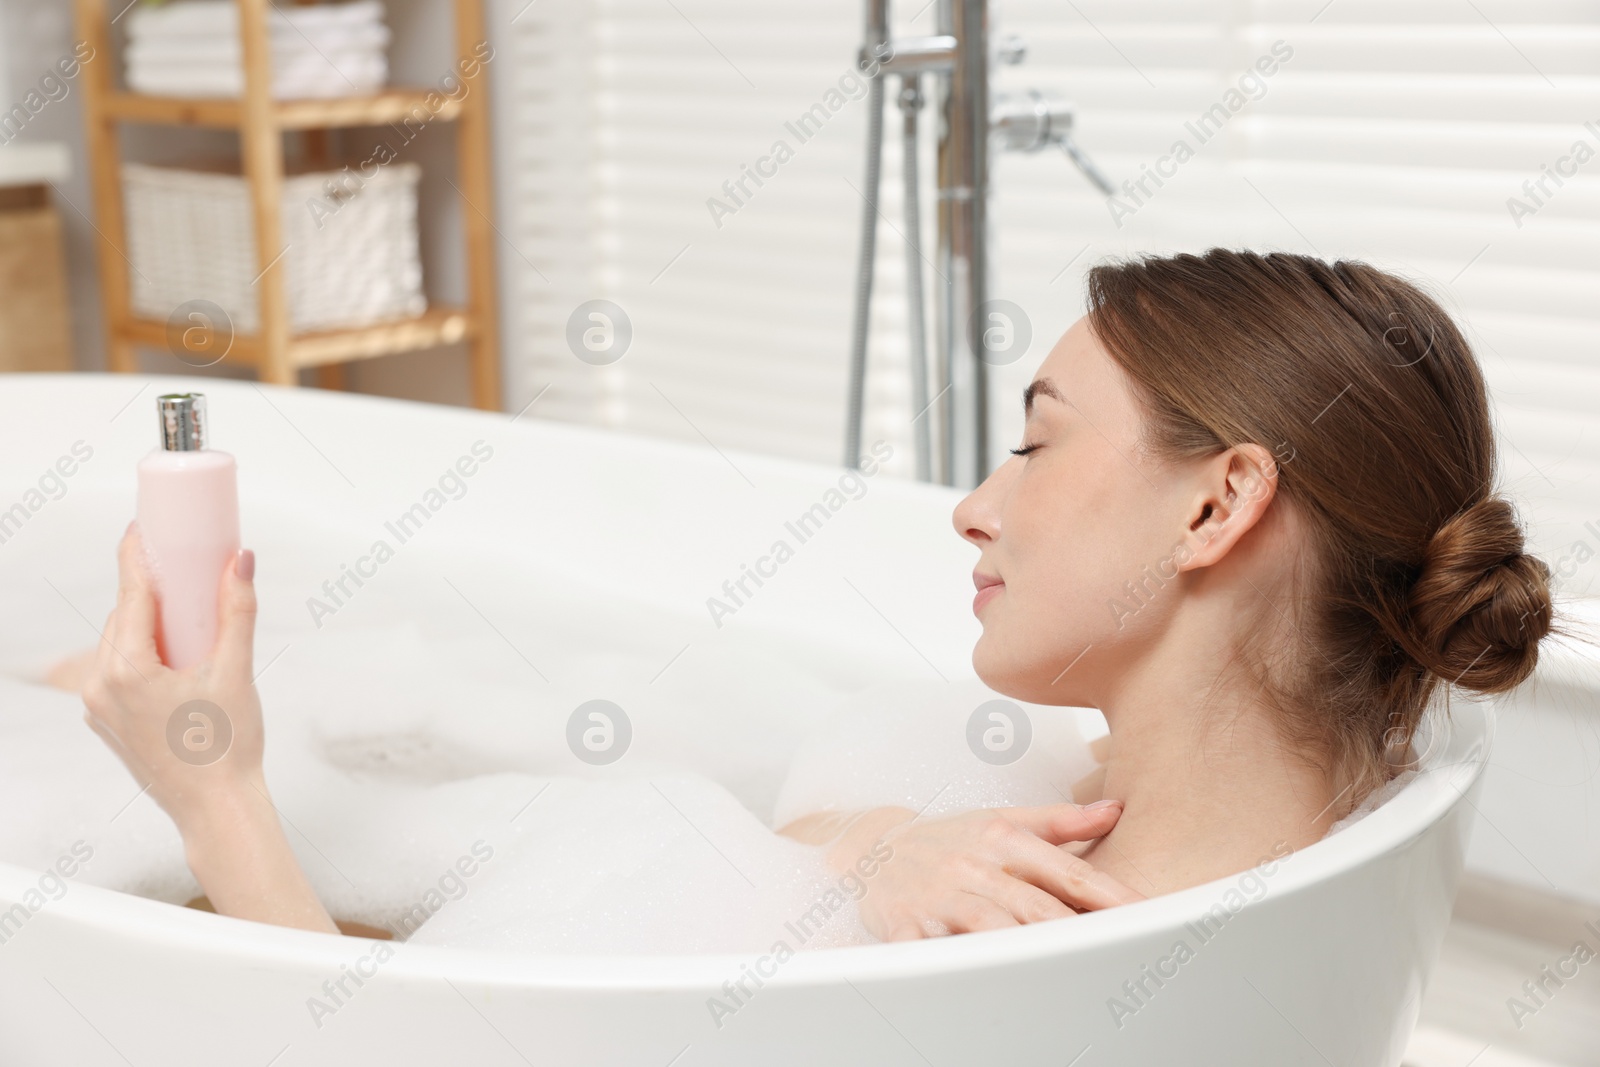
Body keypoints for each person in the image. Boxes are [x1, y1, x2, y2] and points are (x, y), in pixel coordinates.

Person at [79, 249, 1564, 942]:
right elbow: (789, 846)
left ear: (1219, 503)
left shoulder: (1042, 944)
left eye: (1037, 442)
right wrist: (874, 856)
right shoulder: (1222, 804)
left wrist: (216, 798)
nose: (979, 506)